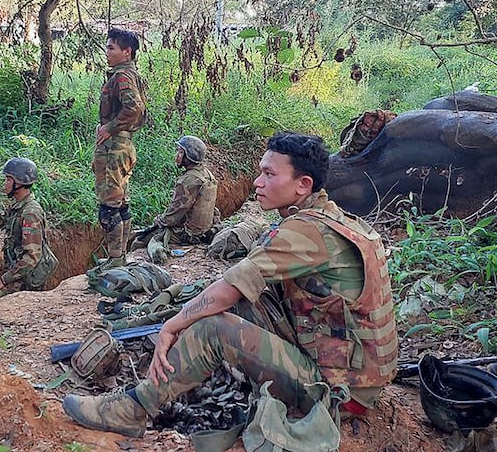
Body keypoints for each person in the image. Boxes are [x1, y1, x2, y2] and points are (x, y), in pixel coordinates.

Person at [63, 132, 398, 438]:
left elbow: (231, 286)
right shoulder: (331, 217)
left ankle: (134, 408)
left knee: (213, 327)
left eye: (269, 174)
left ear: (302, 184)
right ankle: (179, 376)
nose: (257, 183)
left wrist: (172, 325)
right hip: (356, 375)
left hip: (340, 392)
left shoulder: (306, 232)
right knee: (230, 303)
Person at [0, 158, 58, 304]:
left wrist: (3, 280)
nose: (5, 184)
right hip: (17, 273)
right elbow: (0, 221)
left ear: (19, 184)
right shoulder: (19, 206)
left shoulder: (30, 213)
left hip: (26, 280)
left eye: (8, 180)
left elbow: (31, 258)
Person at [93, 28, 147, 270]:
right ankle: (120, 256)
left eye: (111, 48)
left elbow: (134, 108)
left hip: (115, 147)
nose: (107, 52)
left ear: (127, 52)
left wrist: (109, 128)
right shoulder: (128, 74)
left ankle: (115, 260)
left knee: (109, 205)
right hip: (123, 145)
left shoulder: (123, 76)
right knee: (120, 203)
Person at [142, 135, 218, 246]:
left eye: (181, 152)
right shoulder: (207, 174)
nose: (177, 156)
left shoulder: (189, 180)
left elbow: (172, 217)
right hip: (206, 230)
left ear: (189, 157)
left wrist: (157, 221)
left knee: (140, 241)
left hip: (190, 235)